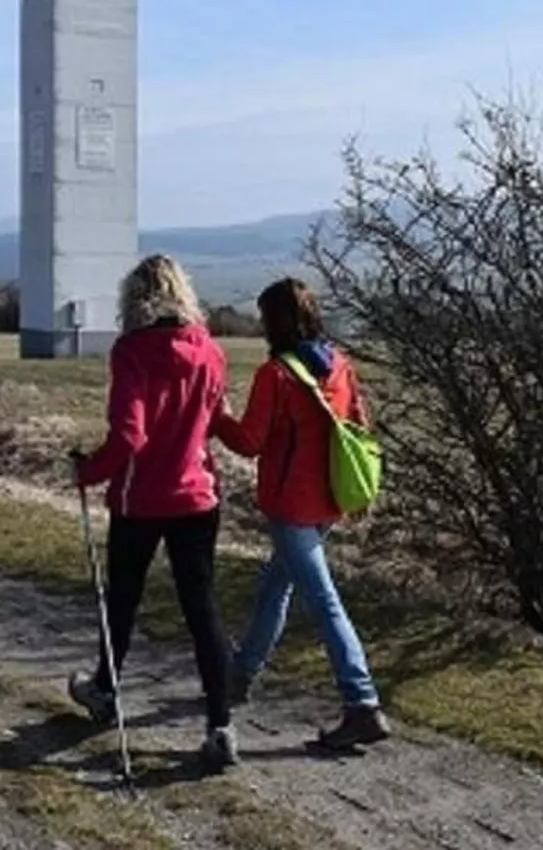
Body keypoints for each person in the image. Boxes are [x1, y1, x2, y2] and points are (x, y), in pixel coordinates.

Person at [67, 254, 240, 772]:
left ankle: (105, 689)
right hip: (197, 495)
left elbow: (129, 435)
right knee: (201, 607)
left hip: (141, 498)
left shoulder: (132, 352)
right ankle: (220, 723)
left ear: (133, 298)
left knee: (121, 600)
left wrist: (89, 471)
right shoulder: (210, 352)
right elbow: (216, 419)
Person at [213, 278, 390, 751]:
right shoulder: (340, 365)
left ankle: (362, 702)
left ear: (273, 322)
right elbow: (360, 425)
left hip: (291, 503)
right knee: (276, 584)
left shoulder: (277, 375)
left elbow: (250, 442)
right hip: (329, 499)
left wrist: (216, 416)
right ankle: (241, 673)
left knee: (322, 599)